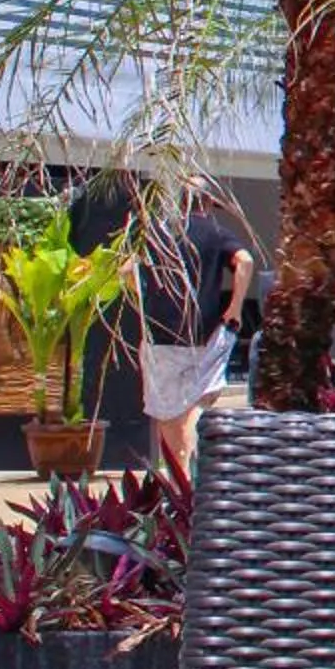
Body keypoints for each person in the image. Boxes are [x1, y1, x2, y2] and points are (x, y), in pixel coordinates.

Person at [140, 178, 254, 462]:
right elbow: (246, 261)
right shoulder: (216, 232)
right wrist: (235, 307)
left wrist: (144, 302)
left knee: (165, 413)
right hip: (203, 335)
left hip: (160, 336)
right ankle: (189, 460)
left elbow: (128, 269)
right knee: (199, 402)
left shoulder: (157, 233)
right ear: (207, 204)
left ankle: (176, 482)